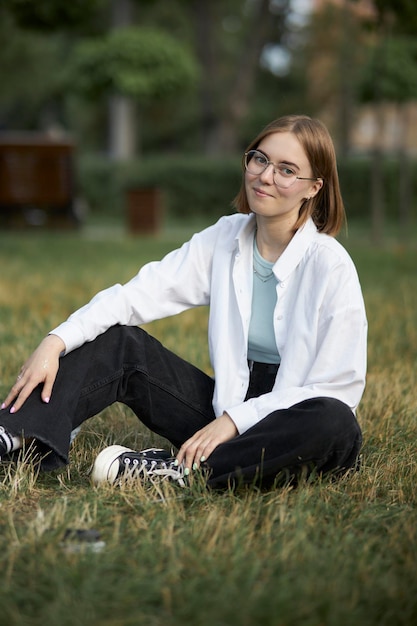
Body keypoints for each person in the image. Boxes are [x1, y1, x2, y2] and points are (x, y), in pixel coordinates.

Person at [0, 115, 367, 489]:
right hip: (221, 408)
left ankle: (177, 473)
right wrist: (55, 340)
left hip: (290, 423)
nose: (266, 176)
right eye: (260, 159)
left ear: (313, 187)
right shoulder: (225, 237)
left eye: (287, 170)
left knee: (336, 423)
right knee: (120, 342)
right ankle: (13, 435)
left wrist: (237, 421)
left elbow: (337, 388)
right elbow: (137, 294)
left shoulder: (330, 266)